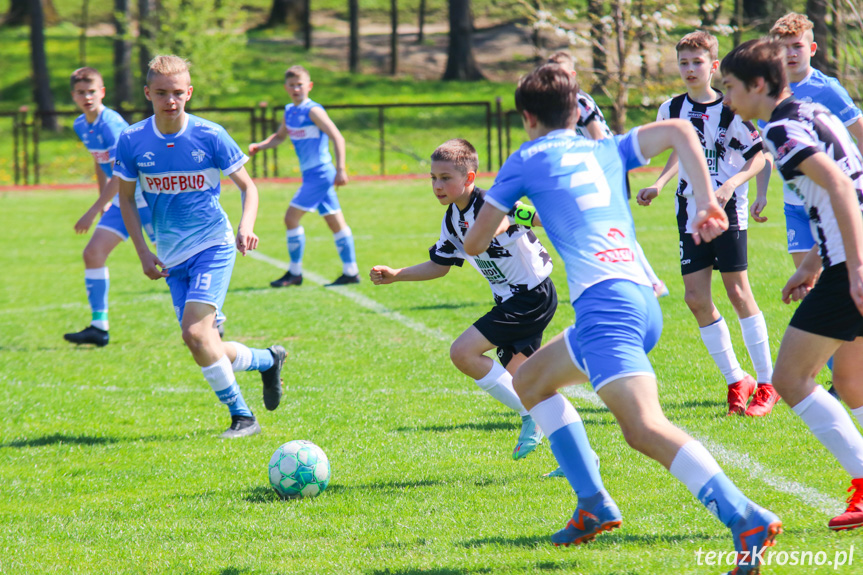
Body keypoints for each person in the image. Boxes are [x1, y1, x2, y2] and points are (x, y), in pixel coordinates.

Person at [463, 65, 780, 573]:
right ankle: (592, 503)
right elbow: (678, 131)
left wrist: (516, 208)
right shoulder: (603, 146)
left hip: (605, 308)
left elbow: (476, 242)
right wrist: (704, 200)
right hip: (638, 298)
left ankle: (746, 518)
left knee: (644, 428)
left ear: (527, 118)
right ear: (576, 109)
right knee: (532, 382)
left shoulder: (524, 159)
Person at [721, 38, 863, 532]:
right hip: (843, 258)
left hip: (855, 264)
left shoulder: (781, 127)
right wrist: (814, 265)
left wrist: (854, 266)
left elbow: (841, 186)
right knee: (851, 382)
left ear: (759, 85)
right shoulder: (806, 110)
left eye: (731, 88)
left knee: (789, 379)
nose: (726, 99)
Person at [114, 55, 285, 439]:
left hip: (213, 244)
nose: (170, 100)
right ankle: (267, 360)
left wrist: (246, 226)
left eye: (177, 92)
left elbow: (249, 187)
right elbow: (125, 199)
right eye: (161, 93)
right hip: (170, 256)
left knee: (194, 334)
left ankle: (244, 418)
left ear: (189, 92)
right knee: (205, 344)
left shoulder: (210, 135)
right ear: (147, 94)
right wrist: (142, 251)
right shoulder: (131, 140)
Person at [370, 138, 557, 460]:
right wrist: (397, 273)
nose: (437, 185)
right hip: (510, 301)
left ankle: (530, 415)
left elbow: (536, 216)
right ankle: (577, 459)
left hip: (531, 296)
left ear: (469, 178)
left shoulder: (493, 204)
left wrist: (512, 221)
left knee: (463, 352)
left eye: (446, 178)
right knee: (527, 381)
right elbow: (440, 266)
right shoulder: (452, 220)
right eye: (433, 178)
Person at [636, 31, 776, 417]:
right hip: (689, 210)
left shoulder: (730, 109)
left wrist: (730, 185)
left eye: (697, 62)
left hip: (726, 211)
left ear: (713, 66)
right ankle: (737, 379)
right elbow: (681, 153)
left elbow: (758, 157)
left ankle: (766, 383)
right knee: (696, 298)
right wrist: (659, 184)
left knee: (738, 292)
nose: (689, 69)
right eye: (683, 62)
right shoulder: (671, 109)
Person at [761, 13, 863, 399]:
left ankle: (843, 384)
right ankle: (843, 379)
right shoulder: (771, 93)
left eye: (796, 47)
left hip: (841, 203)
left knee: (836, 290)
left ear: (812, 48)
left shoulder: (828, 89)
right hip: (798, 208)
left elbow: (858, 134)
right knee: (815, 290)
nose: (788, 54)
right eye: (781, 48)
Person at [547, 51, 668, 300]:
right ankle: (631, 280)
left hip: (605, 169)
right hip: (589, 173)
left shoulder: (579, 103)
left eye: (561, 74)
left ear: (572, 76)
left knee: (614, 229)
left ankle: (651, 282)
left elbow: (601, 143)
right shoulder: (559, 106)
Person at [63, 67, 155, 347]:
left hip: (147, 198)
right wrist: (102, 200)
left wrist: (93, 209)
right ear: (73, 96)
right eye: (81, 92)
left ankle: (214, 319)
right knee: (93, 253)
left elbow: (122, 171)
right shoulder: (82, 124)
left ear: (102, 92)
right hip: (122, 200)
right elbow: (99, 162)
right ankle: (99, 327)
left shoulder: (111, 124)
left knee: (173, 257)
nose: (87, 96)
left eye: (92, 91)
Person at [249, 65, 359, 287]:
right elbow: (280, 137)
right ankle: (351, 272)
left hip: (320, 173)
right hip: (312, 175)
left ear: (309, 86)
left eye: (300, 84)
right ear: (286, 88)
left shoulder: (313, 111)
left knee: (290, 218)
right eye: (291, 85)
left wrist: (341, 169)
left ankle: (295, 273)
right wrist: (260, 146)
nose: (296, 88)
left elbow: (338, 137)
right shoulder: (290, 111)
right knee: (335, 223)